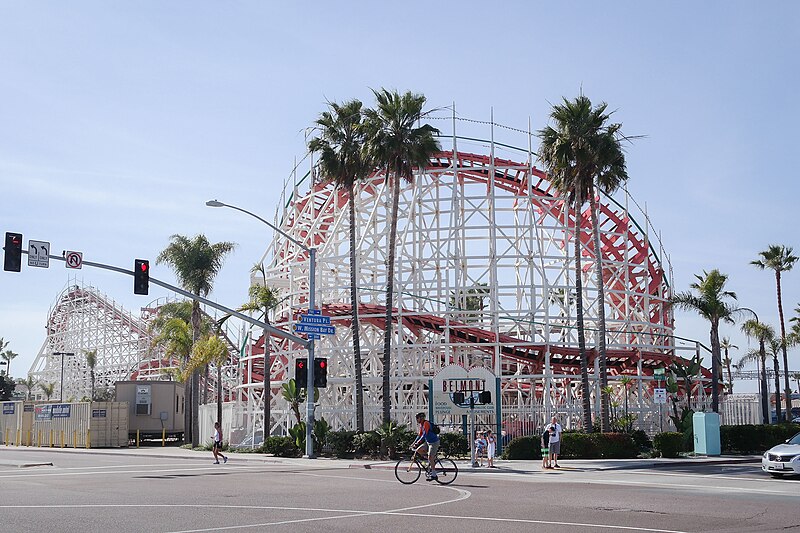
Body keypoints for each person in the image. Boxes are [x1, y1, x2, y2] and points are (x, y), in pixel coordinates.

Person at [411, 412, 439, 480]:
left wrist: (418, 443)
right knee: (418, 450)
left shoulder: (426, 423)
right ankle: (430, 460)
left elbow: (424, 435)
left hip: (434, 442)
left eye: (417, 418)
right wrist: (413, 443)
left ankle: (434, 475)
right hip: (428, 442)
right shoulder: (421, 425)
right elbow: (419, 435)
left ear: (421, 418)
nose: (417, 420)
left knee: (430, 457)